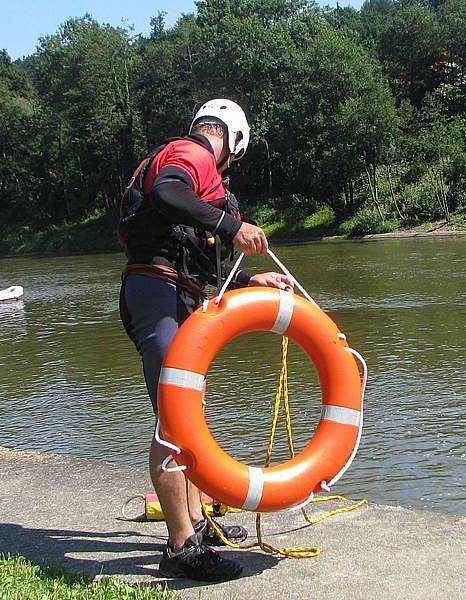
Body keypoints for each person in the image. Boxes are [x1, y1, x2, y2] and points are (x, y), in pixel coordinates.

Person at [118, 99, 292, 582]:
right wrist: (234, 225)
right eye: (235, 155)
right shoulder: (190, 154)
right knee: (174, 420)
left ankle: (198, 523)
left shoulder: (196, 169)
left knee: (186, 417)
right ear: (232, 140)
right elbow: (169, 195)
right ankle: (179, 547)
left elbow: (198, 261)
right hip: (155, 293)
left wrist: (248, 283)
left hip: (174, 293)